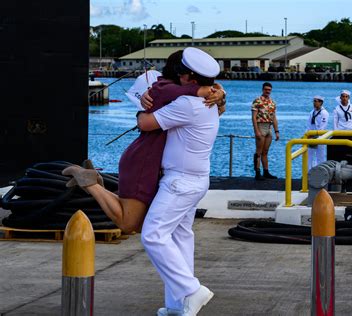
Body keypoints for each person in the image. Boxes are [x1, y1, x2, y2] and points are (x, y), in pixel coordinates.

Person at [62, 50, 225, 234]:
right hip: (144, 160)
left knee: (138, 222)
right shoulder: (166, 88)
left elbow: (202, 99)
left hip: (150, 160)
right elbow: (147, 120)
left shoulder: (179, 92)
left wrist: (218, 92)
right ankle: (88, 181)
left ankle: (93, 181)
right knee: (128, 223)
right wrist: (210, 91)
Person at [136, 47, 221, 316]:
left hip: (180, 182)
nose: (178, 79)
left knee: (153, 235)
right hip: (196, 180)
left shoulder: (187, 105)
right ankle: (178, 305)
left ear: (189, 79)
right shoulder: (211, 102)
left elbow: (146, 124)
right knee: (180, 237)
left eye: (181, 76)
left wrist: (142, 108)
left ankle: (191, 290)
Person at [251, 82, 279, 180]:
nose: (268, 91)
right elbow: (253, 117)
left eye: (269, 90)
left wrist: (276, 131)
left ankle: (266, 172)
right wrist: (256, 131)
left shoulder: (272, 103)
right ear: (263, 89)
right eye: (266, 89)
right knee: (258, 151)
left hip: (269, 127)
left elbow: (274, 117)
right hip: (260, 126)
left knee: (265, 151)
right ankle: (257, 172)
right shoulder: (257, 101)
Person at [306, 95, 329, 169]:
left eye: (317, 101)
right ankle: (308, 172)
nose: (315, 103)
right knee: (309, 156)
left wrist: (317, 136)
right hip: (311, 136)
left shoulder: (324, 113)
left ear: (321, 103)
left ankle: (321, 172)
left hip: (320, 136)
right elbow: (309, 124)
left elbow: (323, 126)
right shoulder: (312, 112)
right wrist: (308, 134)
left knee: (320, 156)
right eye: (314, 101)